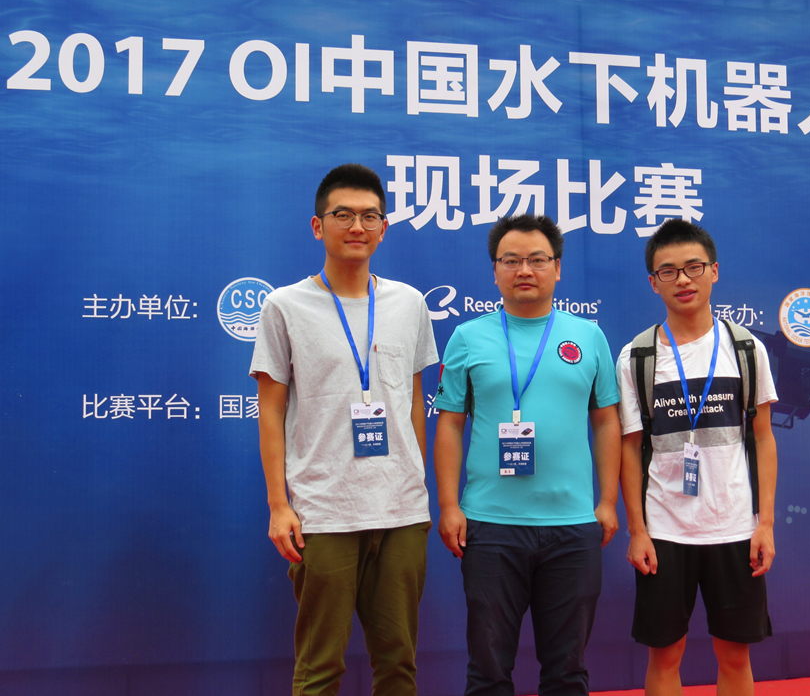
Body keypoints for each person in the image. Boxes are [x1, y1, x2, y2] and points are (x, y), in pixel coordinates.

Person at [250, 163, 439, 696]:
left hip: (401, 512)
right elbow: (270, 411)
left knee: (398, 666)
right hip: (324, 512)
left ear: (384, 228)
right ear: (318, 226)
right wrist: (279, 505)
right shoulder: (284, 306)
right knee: (319, 670)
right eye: (343, 215)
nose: (357, 226)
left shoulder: (409, 303)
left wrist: (417, 483)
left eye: (369, 216)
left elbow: (414, 400)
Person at [433, 213, 622, 696]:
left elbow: (606, 421)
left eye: (537, 260)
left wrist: (606, 502)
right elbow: (450, 423)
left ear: (557, 268)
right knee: (488, 672)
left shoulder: (588, 337)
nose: (524, 270)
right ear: (495, 270)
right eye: (511, 260)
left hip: (573, 528)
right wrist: (450, 505)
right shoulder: (467, 337)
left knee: (567, 672)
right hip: (490, 526)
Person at [616, 219, 778, 696]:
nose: (683, 279)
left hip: (735, 527)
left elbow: (763, 438)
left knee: (735, 655)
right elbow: (629, 448)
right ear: (654, 282)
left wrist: (765, 524)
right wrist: (637, 530)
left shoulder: (746, 349)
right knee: (665, 656)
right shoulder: (637, 357)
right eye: (668, 271)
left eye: (694, 267)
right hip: (665, 530)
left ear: (714, 271)